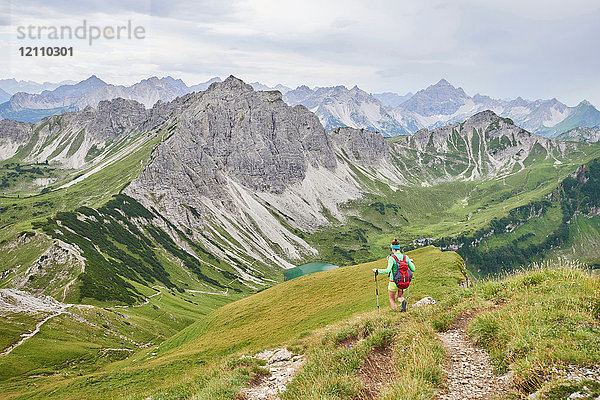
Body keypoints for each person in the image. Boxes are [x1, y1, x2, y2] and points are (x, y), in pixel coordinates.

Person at [372, 238, 415, 311]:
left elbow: (387, 270)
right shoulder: (406, 257)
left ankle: (395, 312)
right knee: (399, 297)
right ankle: (402, 302)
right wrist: (410, 262)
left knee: (392, 298)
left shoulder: (392, 258)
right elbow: (413, 269)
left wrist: (377, 271)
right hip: (403, 280)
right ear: (399, 248)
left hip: (393, 281)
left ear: (392, 249)